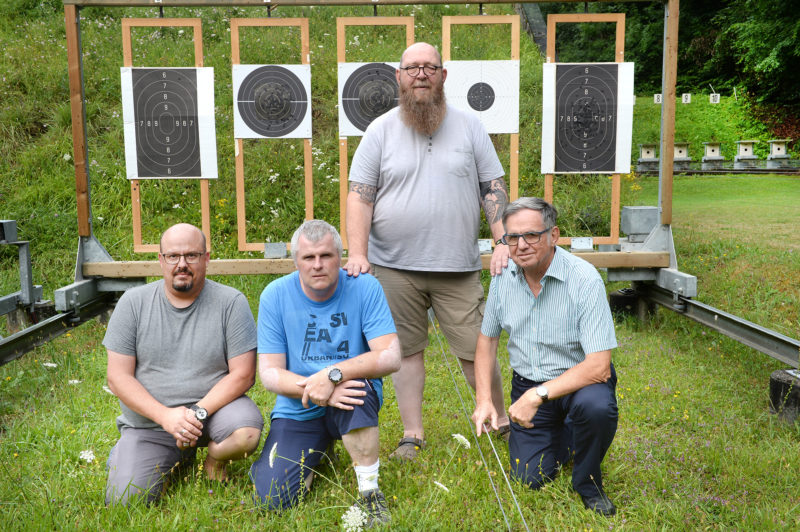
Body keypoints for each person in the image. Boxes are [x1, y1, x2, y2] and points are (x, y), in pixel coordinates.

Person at [345, 42, 511, 460]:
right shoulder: (380, 130)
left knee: (478, 349)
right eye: (412, 68)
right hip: (393, 266)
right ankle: (412, 433)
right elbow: (360, 196)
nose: (421, 74)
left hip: (457, 266)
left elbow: (491, 186)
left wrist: (502, 240)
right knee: (404, 352)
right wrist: (358, 253)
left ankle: (501, 421)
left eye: (429, 67)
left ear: (443, 76)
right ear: (398, 77)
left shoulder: (470, 126)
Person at [471, 197, 619, 516]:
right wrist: (484, 399)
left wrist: (537, 396)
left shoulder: (585, 279)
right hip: (528, 382)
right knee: (531, 479)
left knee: (596, 407)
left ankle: (588, 482)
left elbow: (599, 366)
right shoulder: (502, 278)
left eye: (532, 235)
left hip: (580, 382)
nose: (521, 245)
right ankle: (567, 433)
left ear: (553, 235)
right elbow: (486, 342)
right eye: (512, 237)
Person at [250, 220, 400, 527]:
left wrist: (332, 375)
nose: (318, 265)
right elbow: (270, 374)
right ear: (296, 262)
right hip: (298, 406)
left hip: (350, 392)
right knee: (273, 499)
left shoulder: (364, 286)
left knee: (356, 389)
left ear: (341, 257)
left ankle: (370, 493)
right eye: (308, 258)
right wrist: (316, 388)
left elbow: (390, 355)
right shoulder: (274, 295)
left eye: (326, 256)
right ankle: (318, 448)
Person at [103, 223, 263, 505]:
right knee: (125, 501)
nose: (182, 264)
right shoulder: (132, 303)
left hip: (215, 412)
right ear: (160, 260)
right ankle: (147, 455)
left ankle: (214, 460)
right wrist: (166, 417)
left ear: (206, 258)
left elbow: (244, 374)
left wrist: (196, 414)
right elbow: (118, 378)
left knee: (246, 433)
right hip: (152, 425)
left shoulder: (231, 302)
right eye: (173, 256)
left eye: (191, 255)